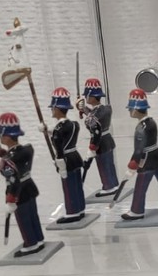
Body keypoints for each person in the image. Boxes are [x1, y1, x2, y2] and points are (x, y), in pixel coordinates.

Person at [0, 113, 45, 257]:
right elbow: (14, 157)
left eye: (1, 135)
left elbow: (13, 179)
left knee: (23, 219)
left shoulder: (9, 161)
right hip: (29, 186)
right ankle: (38, 239)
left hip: (18, 192)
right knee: (33, 215)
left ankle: (30, 244)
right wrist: (0, 152)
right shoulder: (27, 150)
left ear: (7, 137)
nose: (0, 137)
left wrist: (11, 199)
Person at [122, 89, 158, 221]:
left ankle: (137, 210)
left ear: (136, 109)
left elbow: (139, 150)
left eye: (131, 108)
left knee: (140, 187)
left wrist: (132, 165)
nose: (129, 110)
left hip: (147, 160)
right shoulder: (151, 122)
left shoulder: (141, 127)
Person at [46, 87, 86, 224]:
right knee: (77, 186)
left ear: (57, 109)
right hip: (75, 157)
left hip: (66, 160)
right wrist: (48, 130)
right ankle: (80, 209)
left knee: (69, 187)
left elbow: (59, 149)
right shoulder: (73, 124)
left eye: (53, 108)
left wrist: (60, 166)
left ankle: (72, 212)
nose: (52, 110)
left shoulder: (58, 130)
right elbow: (64, 132)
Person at [76, 78, 119, 197]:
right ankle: (114, 184)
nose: (86, 98)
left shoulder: (97, 114)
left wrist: (92, 148)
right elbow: (94, 114)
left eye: (87, 96)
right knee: (110, 164)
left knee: (103, 165)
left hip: (99, 141)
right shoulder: (105, 109)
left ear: (92, 97)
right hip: (107, 140)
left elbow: (93, 122)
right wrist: (84, 109)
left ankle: (108, 186)